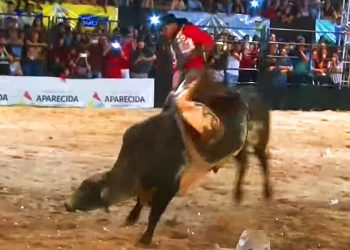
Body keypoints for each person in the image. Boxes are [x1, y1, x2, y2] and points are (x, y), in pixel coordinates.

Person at [160, 14, 223, 144]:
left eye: (164, 28)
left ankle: (209, 128)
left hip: (196, 71)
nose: (163, 32)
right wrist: (174, 88)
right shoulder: (173, 42)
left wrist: (200, 52)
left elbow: (208, 42)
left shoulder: (188, 30)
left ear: (172, 25)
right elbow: (177, 66)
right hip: (186, 73)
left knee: (181, 101)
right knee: (171, 100)